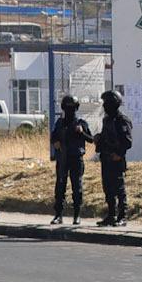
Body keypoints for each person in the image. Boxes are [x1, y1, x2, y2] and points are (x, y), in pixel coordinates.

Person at [48, 95, 93, 224]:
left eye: (72, 108)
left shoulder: (80, 123)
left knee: (77, 187)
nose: (69, 110)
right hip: (63, 158)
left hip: (76, 158)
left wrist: (81, 132)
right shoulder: (60, 123)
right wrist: (55, 142)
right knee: (60, 186)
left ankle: (77, 215)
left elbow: (91, 139)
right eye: (67, 108)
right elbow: (53, 136)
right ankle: (58, 215)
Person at [96, 90, 134, 225]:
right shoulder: (106, 120)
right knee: (107, 188)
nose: (105, 106)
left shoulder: (122, 120)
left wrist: (119, 154)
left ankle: (122, 217)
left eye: (107, 103)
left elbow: (127, 141)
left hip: (116, 159)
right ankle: (111, 215)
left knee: (119, 188)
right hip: (106, 159)